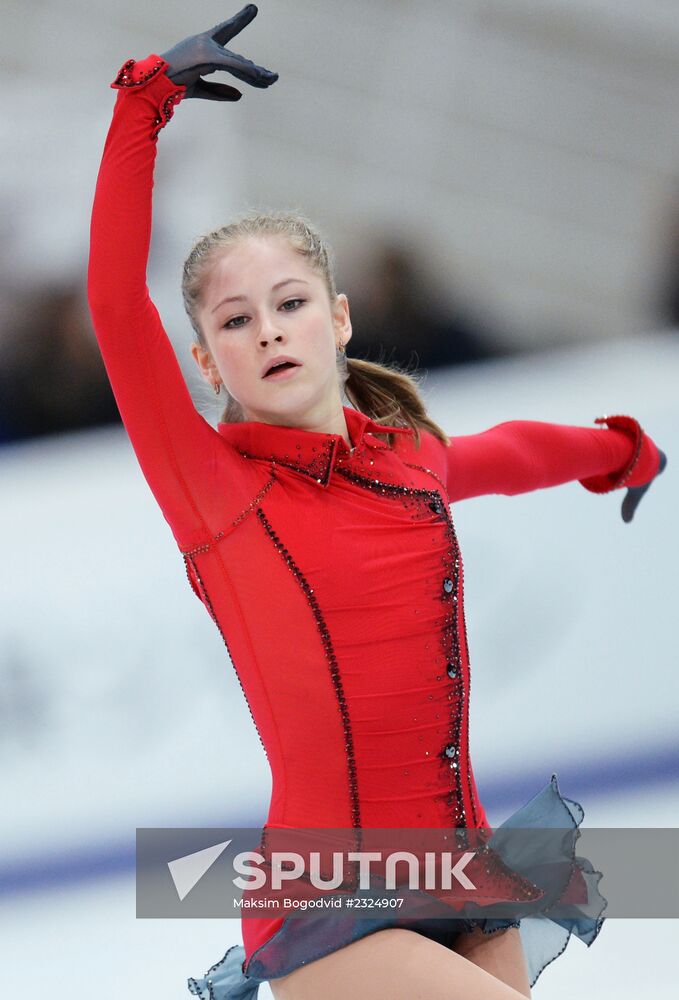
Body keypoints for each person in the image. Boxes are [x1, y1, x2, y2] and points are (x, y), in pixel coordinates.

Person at [87, 7, 666, 1000]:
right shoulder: (214, 486)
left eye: (291, 302)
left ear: (338, 317)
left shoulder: (407, 461)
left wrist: (619, 451)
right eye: (235, 318)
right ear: (203, 357)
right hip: (326, 901)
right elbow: (110, 300)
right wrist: (144, 102)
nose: (268, 331)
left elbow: (511, 451)